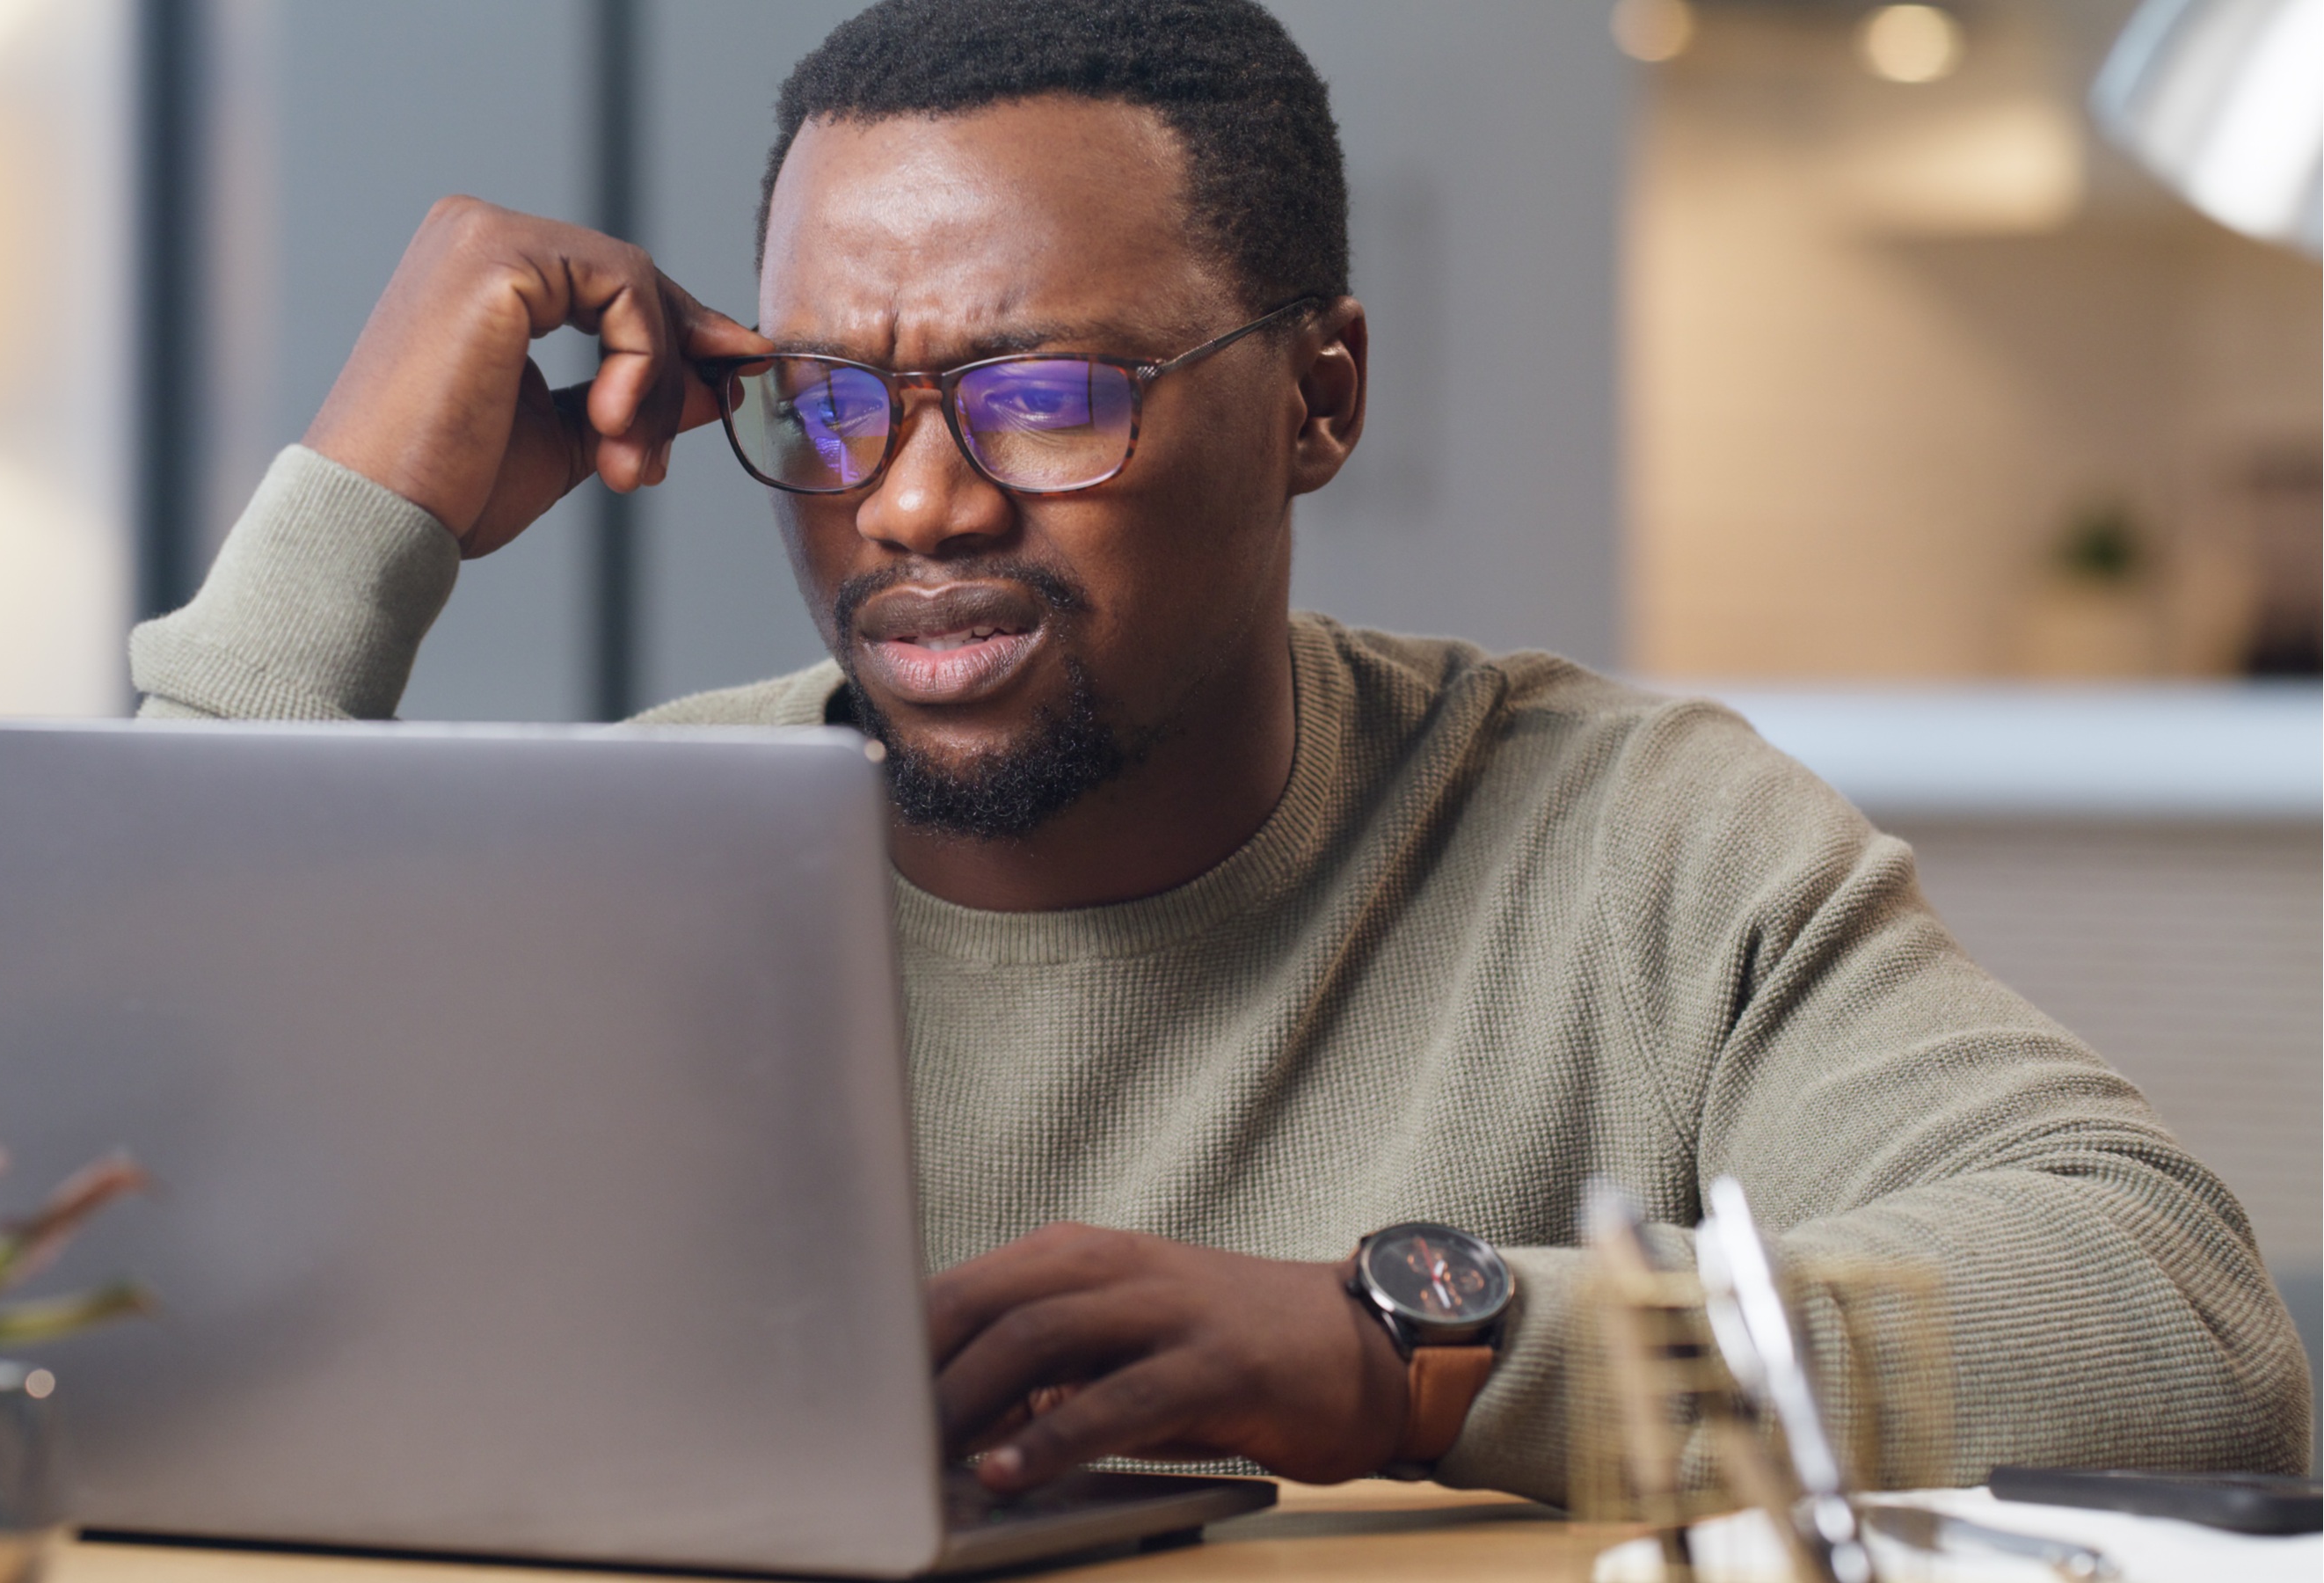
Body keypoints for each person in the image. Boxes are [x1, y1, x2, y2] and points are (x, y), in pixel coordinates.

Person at [129, 0, 2311, 1500]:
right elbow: (78, 1251)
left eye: (1047, 395)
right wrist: (354, 512)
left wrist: (1412, 1359)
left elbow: (2177, 1327)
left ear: (1321, 397)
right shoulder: (626, 864)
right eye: (822, 402)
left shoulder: (1630, 850)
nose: (909, 509)